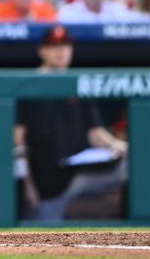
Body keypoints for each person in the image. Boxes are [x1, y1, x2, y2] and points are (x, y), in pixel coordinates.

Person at [15, 26, 128, 221]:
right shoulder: (27, 85)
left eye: (66, 46)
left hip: (79, 172)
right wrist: (27, 184)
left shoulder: (78, 83)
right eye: (54, 46)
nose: (61, 51)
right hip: (46, 182)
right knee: (41, 242)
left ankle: (133, 228)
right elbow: (17, 140)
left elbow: (96, 134)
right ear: (42, 51)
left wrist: (122, 147)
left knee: (136, 162)